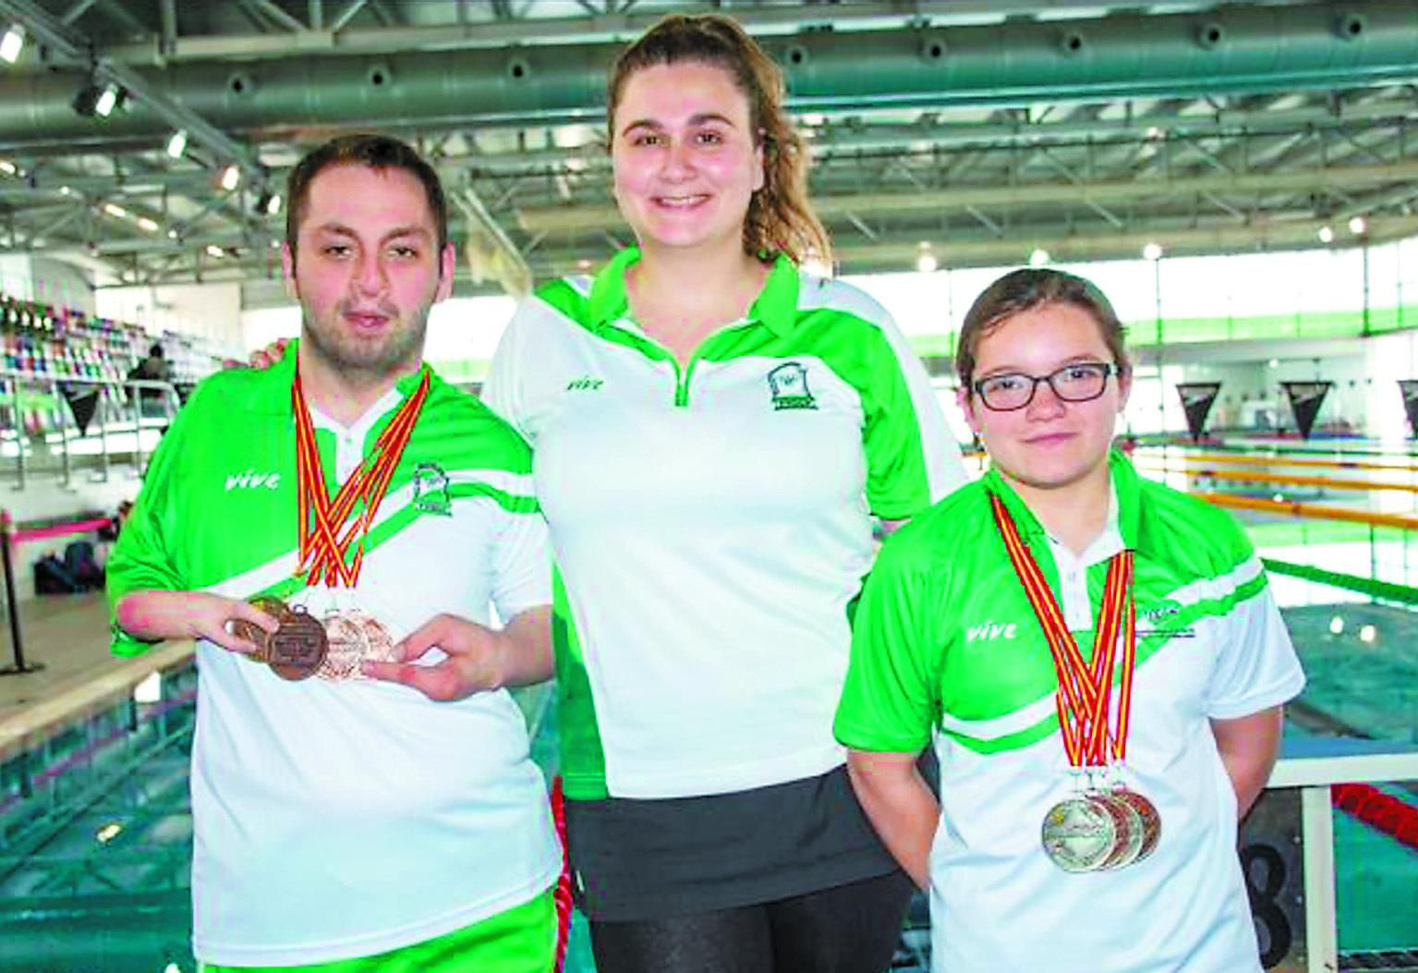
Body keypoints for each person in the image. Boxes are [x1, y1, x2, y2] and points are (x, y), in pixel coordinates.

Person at [483, 14, 966, 973]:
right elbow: (487, 548)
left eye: (708, 134)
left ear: (758, 158)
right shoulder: (547, 338)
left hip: (847, 777)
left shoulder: (848, 333)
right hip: (638, 792)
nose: (676, 164)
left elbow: (935, 549)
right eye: (646, 137)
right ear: (613, 162)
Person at [106, 134, 562, 972]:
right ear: (290, 263)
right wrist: (201, 614)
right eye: (337, 247)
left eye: (402, 251)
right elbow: (130, 588)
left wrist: (495, 654)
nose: (369, 282)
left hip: (484, 897)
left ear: (444, 272)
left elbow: (545, 631)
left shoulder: (496, 448)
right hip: (272, 915)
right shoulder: (218, 417)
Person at [835, 268, 1306, 973]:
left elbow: (1247, 742)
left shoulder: (1211, 545)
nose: (1044, 406)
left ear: (1122, 382)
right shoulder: (920, 561)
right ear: (969, 406)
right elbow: (879, 765)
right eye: (1009, 383)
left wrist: (1171, 860)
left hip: (1201, 951)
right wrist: (970, 891)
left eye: (1076, 374)